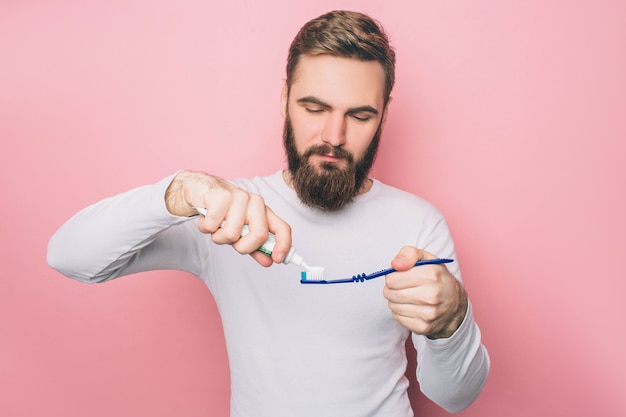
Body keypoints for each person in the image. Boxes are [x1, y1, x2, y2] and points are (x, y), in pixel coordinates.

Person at [47, 10, 489, 417]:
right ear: (284, 99)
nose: (332, 136)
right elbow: (71, 257)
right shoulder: (227, 214)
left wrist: (453, 320)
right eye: (313, 108)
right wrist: (177, 190)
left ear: (383, 117)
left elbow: (456, 397)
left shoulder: (418, 223)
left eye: (358, 116)